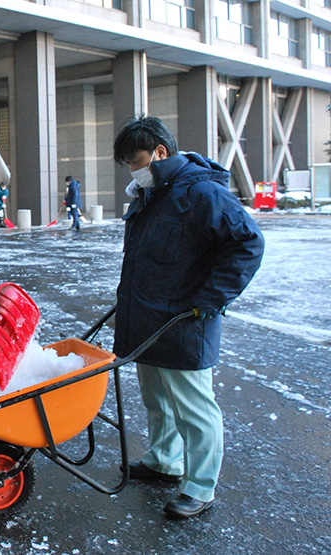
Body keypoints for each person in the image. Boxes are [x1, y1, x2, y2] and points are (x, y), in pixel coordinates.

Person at [112, 115, 264, 519]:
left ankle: (199, 487)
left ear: (160, 153)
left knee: (194, 408)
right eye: (128, 163)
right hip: (148, 319)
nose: (133, 170)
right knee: (157, 399)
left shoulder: (200, 193)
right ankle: (164, 461)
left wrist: (209, 299)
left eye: (137, 160)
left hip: (184, 321)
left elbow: (247, 244)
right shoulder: (155, 193)